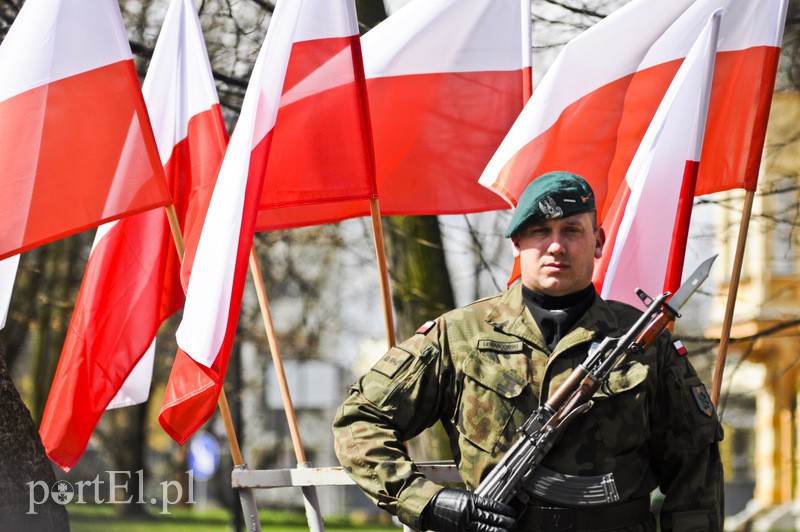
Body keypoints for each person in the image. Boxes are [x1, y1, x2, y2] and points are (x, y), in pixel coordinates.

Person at [333, 171, 724, 531]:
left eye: (571, 230)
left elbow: (695, 471)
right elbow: (359, 423)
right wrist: (428, 502)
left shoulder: (643, 342)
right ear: (517, 243)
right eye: (540, 231)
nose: (556, 246)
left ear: (599, 241)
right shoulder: (460, 334)